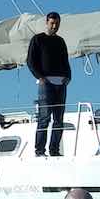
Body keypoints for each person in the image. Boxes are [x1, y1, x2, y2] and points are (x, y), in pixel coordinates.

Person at [27, 11, 71, 157]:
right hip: (45, 82)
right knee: (44, 118)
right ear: (46, 23)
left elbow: (66, 61)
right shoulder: (38, 39)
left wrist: (68, 77)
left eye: (57, 23)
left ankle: (54, 150)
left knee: (59, 120)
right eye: (52, 23)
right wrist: (40, 77)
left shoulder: (61, 41)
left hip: (61, 83)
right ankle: (39, 151)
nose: (54, 26)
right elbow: (30, 61)